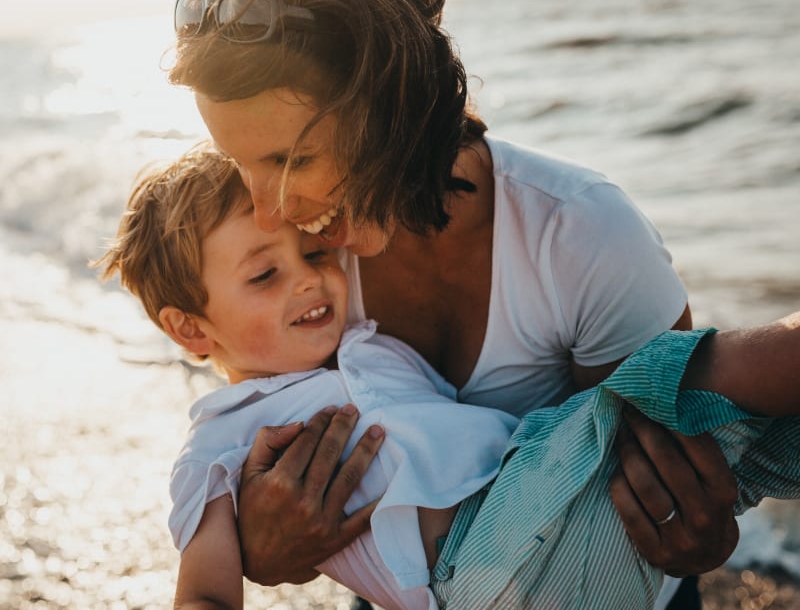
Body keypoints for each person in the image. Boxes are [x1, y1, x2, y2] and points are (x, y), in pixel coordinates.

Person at [167, 0, 740, 609]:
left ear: (393, 104)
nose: (268, 209)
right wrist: (264, 545)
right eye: (239, 165)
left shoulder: (582, 237)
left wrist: (701, 533)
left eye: (292, 158)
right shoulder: (300, 265)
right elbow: (265, 425)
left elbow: (671, 480)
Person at [98, 143, 800, 610]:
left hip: (564, 531)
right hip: (476, 565)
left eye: (313, 252)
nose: (310, 280)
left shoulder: (370, 348)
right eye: (263, 274)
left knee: (761, 435)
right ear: (190, 328)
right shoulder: (219, 443)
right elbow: (206, 596)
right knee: (703, 375)